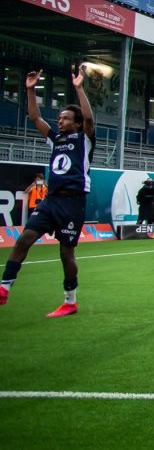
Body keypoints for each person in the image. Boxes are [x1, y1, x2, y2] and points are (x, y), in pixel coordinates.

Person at [0, 68, 95, 316]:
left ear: (76, 123)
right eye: (59, 118)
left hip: (73, 203)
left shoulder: (84, 139)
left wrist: (79, 88)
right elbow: (35, 117)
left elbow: (89, 119)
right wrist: (31, 90)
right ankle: (4, 287)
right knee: (24, 239)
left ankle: (70, 301)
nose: (60, 121)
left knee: (66, 253)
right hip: (51, 201)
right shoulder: (55, 140)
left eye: (65, 118)